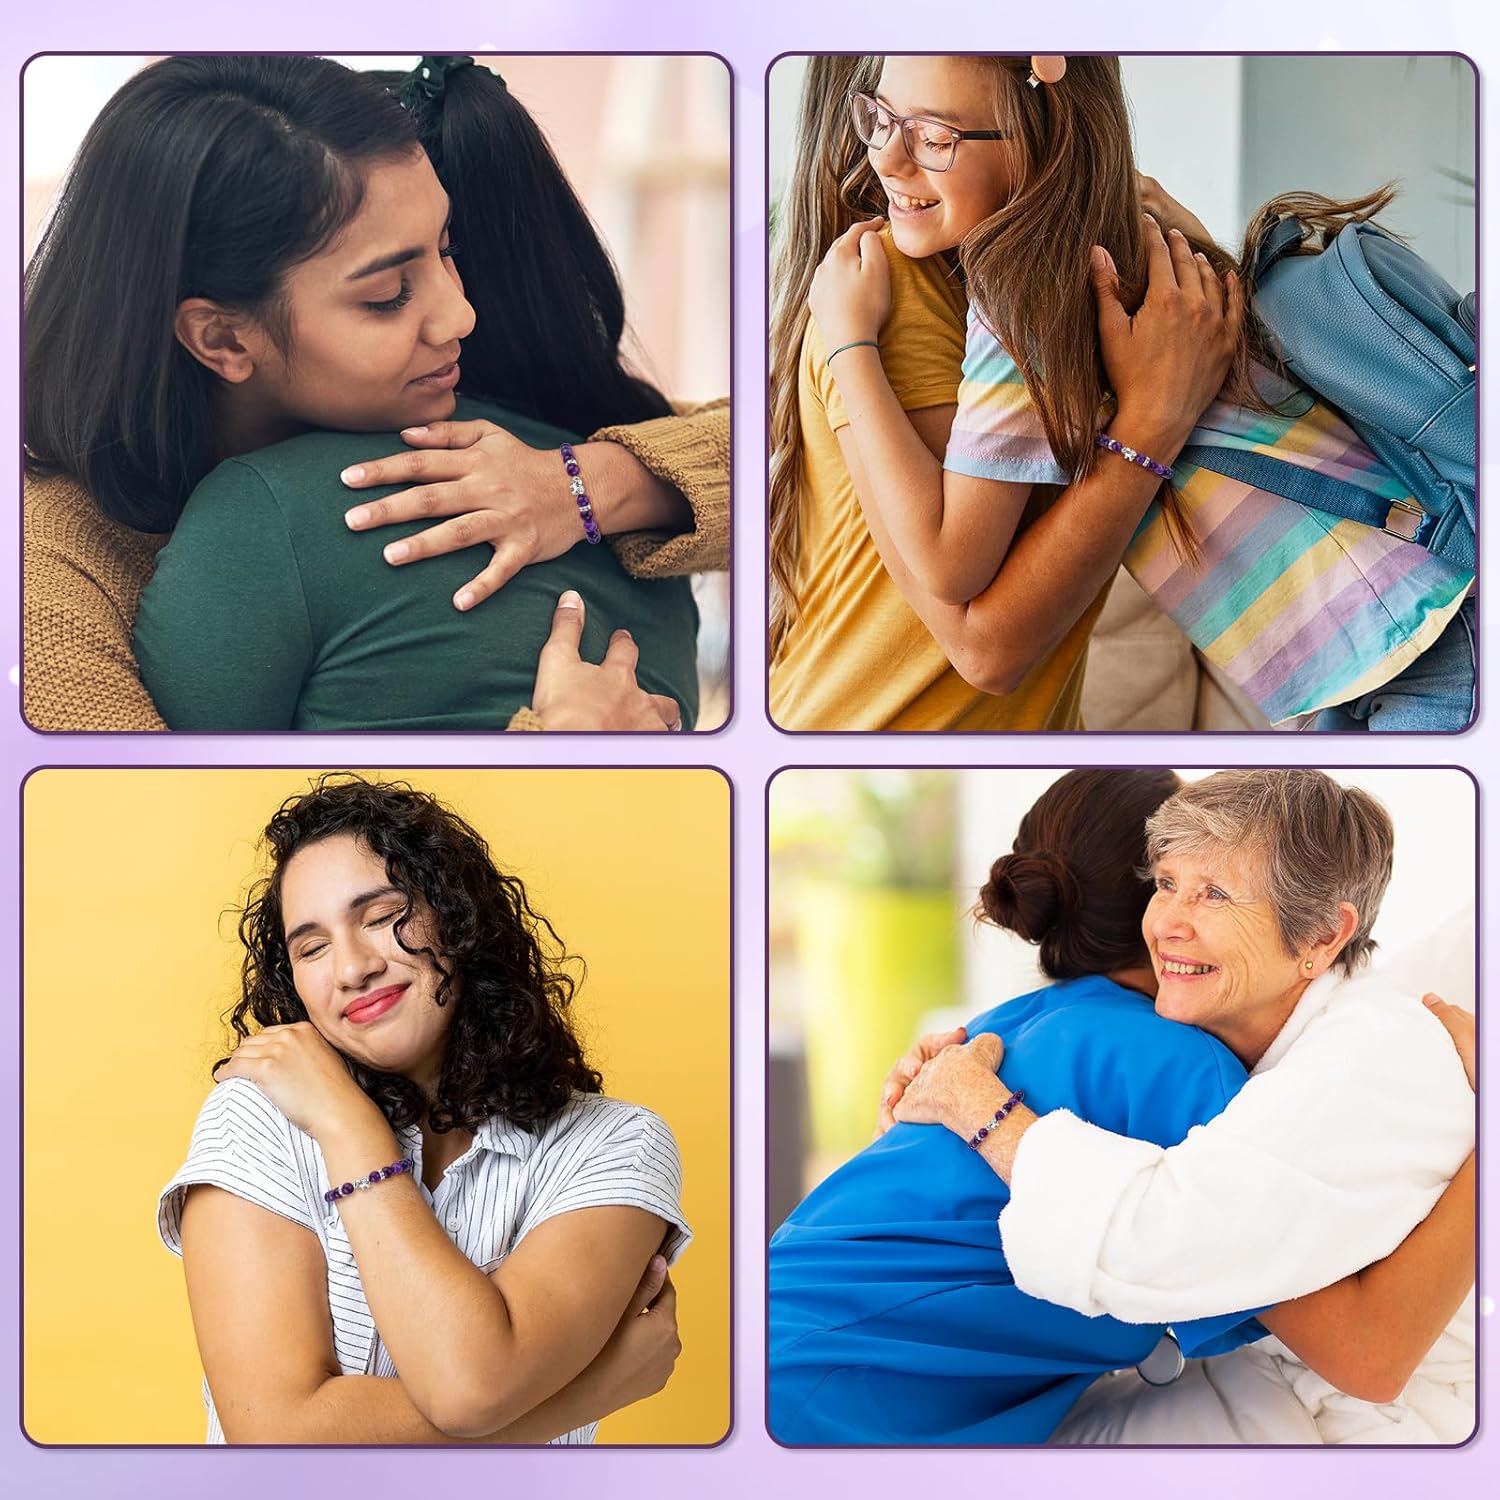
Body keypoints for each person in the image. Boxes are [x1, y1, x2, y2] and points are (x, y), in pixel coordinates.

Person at [23, 54, 728, 731]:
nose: (460, 315)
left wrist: (581, 485)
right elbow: (154, 837)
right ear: (224, 340)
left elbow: (777, 446)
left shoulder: (462, 417)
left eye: (446, 249)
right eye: (389, 295)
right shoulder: (44, 580)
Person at [768, 769, 1473, 1444]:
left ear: (1322, 934)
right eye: (1166, 882)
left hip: (794, 1331)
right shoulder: (1181, 1066)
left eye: (1215, 892)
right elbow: (1349, 1336)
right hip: (841, 1381)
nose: (1172, 918)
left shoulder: (1018, 1022)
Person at [770, 55, 1473, 731]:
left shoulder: (1024, 298)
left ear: (1042, 142)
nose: (886, 159)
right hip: (1380, 640)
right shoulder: (1134, 237)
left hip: (1413, 630)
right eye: (879, 118)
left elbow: (952, 565)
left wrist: (847, 342)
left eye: (933, 136)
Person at [157, 776, 689, 1444]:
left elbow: (471, 1385)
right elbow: (277, 1440)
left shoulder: (615, 1144)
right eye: (312, 948)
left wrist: (348, 1133)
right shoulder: (256, 1119)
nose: (351, 968)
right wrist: (576, 1398)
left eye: (381, 918)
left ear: (459, 918)